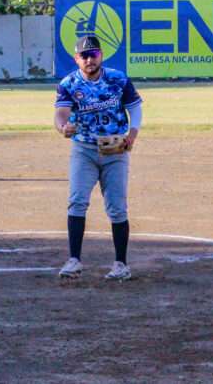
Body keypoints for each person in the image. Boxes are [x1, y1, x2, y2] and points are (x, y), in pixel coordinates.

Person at [54, 35, 143, 281]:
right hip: (84, 149)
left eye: (93, 54)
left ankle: (121, 264)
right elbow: (60, 114)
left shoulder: (118, 79)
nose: (89, 59)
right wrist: (63, 128)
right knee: (77, 201)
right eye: (84, 55)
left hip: (115, 149)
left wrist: (132, 133)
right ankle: (74, 261)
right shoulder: (69, 84)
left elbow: (134, 107)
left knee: (116, 207)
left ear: (101, 55)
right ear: (76, 59)